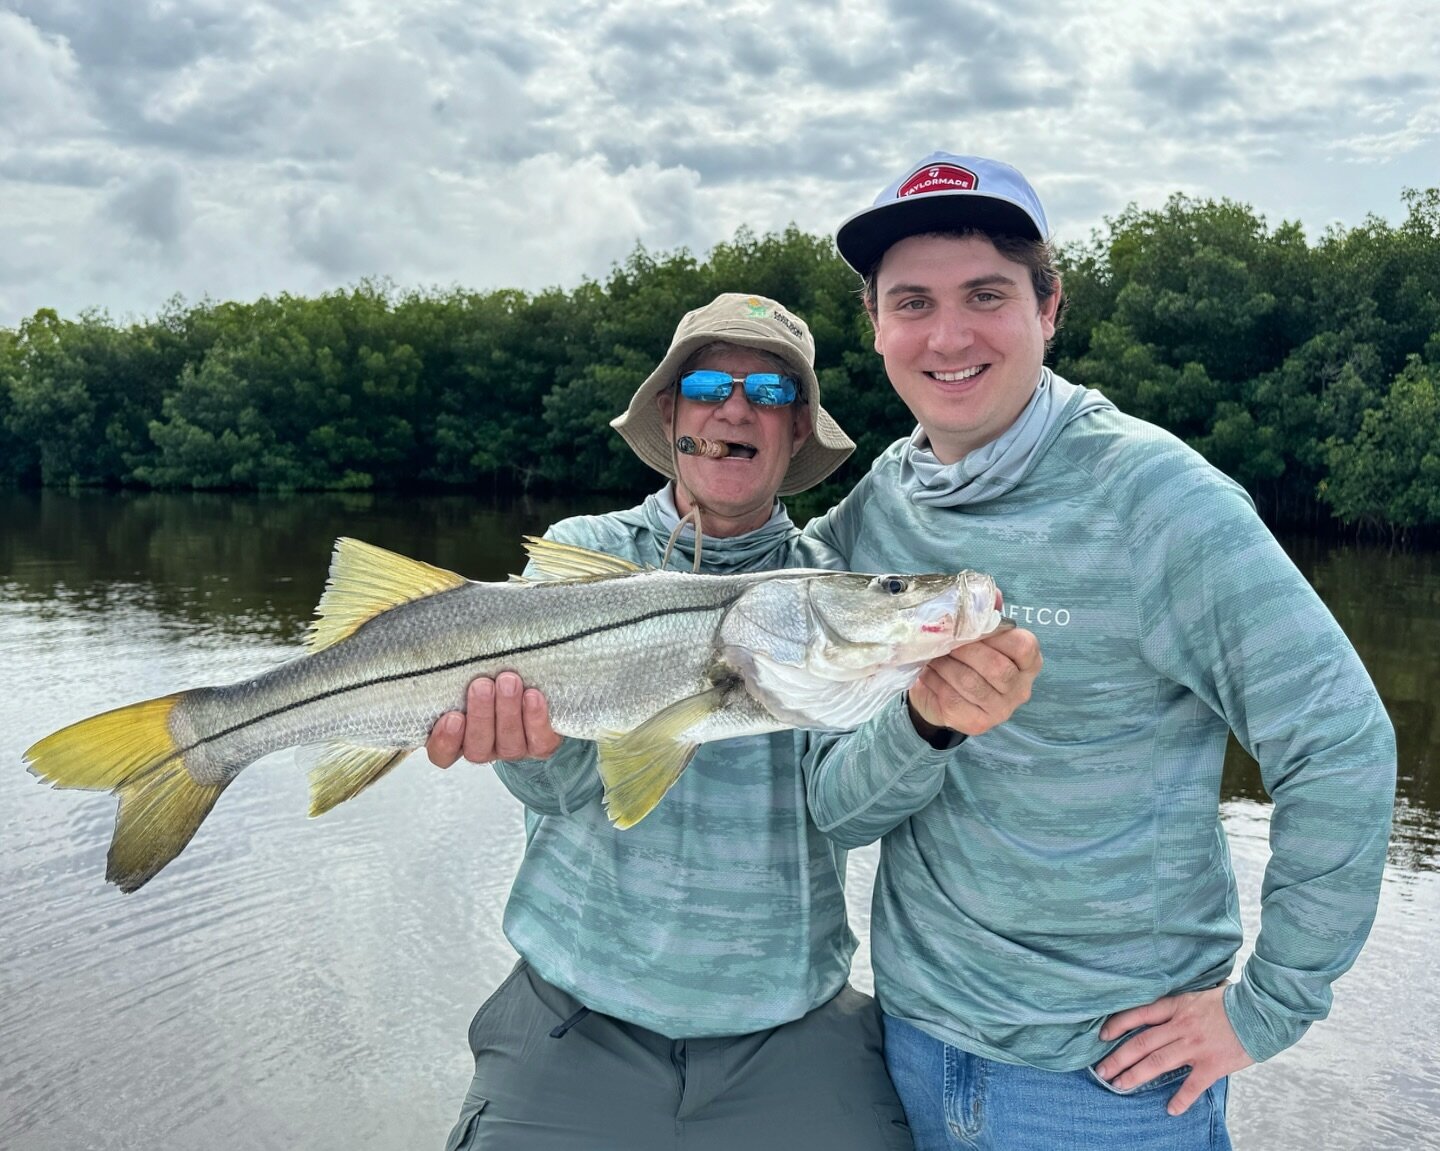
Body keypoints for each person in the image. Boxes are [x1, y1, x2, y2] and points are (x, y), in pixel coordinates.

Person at [799, 152, 1398, 1149]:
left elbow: (1339, 743)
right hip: (907, 1043)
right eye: (912, 302)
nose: (947, 334)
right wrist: (924, 725)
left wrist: (1269, 1005)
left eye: (985, 293)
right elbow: (831, 803)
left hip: (1110, 1085)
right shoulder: (872, 518)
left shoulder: (1163, 499)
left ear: (1049, 306)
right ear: (876, 327)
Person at [428, 291, 1043, 1151]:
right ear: (671, 412)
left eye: (774, 393)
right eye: (710, 383)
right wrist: (522, 748)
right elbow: (563, 790)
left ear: (797, 434)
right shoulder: (587, 555)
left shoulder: (834, 586)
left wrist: (927, 725)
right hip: (573, 1017)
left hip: (790, 1033)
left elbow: (844, 812)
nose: (737, 408)